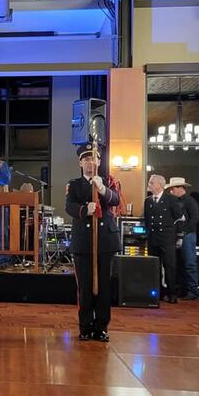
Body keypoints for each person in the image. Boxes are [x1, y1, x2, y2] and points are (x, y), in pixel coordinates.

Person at [65, 144, 120, 342]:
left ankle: (102, 327)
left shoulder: (109, 182)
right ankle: (85, 326)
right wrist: (84, 210)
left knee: (104, 286)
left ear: (99, 161)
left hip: (105, 240)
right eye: (86, 159)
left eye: (93, 158)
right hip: (84, 241)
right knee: (85, 287)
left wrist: (102, 189)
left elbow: (115, 200)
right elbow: (69, 207)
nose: (90, 162)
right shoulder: (74, 184)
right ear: (80, 162)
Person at [144, 174, 183, 303]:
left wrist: (179, 236)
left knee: (170, 266)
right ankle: (157, 293)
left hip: (167, 238)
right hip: (153, 238)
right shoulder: (148, 201)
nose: (149, 185)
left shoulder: (171, 199)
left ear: (160, 185)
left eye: (151, 183)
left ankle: (172, 294)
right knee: (154, 266)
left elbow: (179, 218)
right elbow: (147, 220)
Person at [167, 177, 199, 300]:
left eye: (173, 188)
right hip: (181, 234)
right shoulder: (180, 201)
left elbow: (195, 218)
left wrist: (184, 231)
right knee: (181, 263)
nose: (171, 191)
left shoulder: (190, 201)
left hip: (187, 235)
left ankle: (192, 290)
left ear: (181, 188)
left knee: (189, 263)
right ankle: (185, 289)